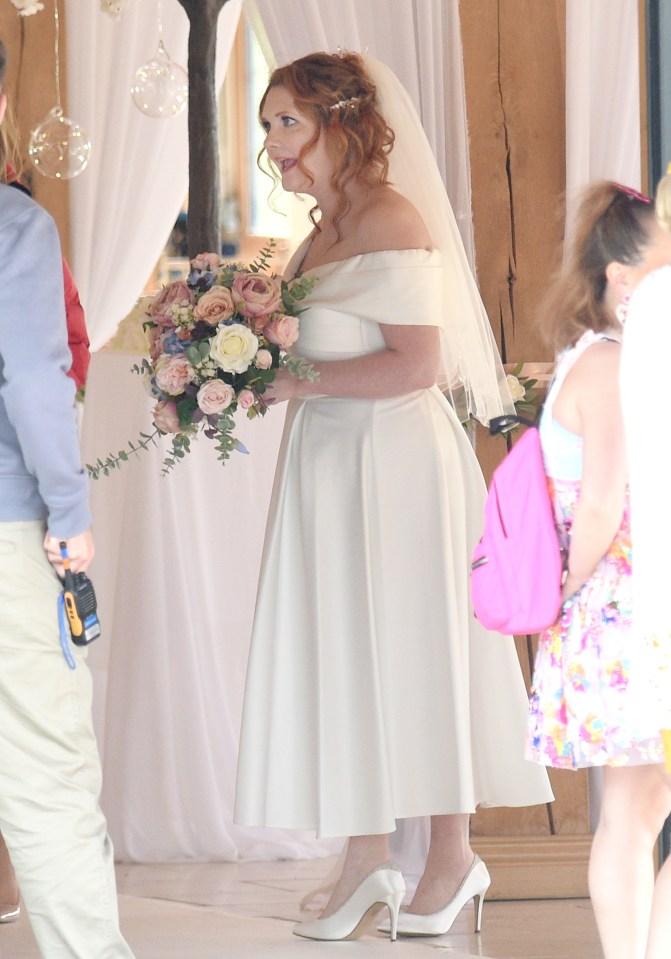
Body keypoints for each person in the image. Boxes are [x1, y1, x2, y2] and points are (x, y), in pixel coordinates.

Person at [233, 51, 553, 942]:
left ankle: (450, 856)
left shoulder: (389, 215)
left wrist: (292, 381)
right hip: (328, 461)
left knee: (413, 647)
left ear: (338, 124)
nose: (274, 142)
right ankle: (364, 854)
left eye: (286, 122)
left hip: (396, 463)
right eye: (267, 125)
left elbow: (416, 362)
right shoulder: (317, 231)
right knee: (340, 645)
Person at [0, 64, 135, 959]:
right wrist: (68, 511)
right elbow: (33, 380)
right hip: (7, 524)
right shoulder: (16, 226)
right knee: (47, 770)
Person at [526, 179, 671, 959]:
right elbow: (604, 502)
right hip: (623, 606)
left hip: (619, 605)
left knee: (638, 804)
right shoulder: (611, 363)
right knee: (632, 807)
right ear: (620, 277)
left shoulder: (603, 358)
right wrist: (569, 595)